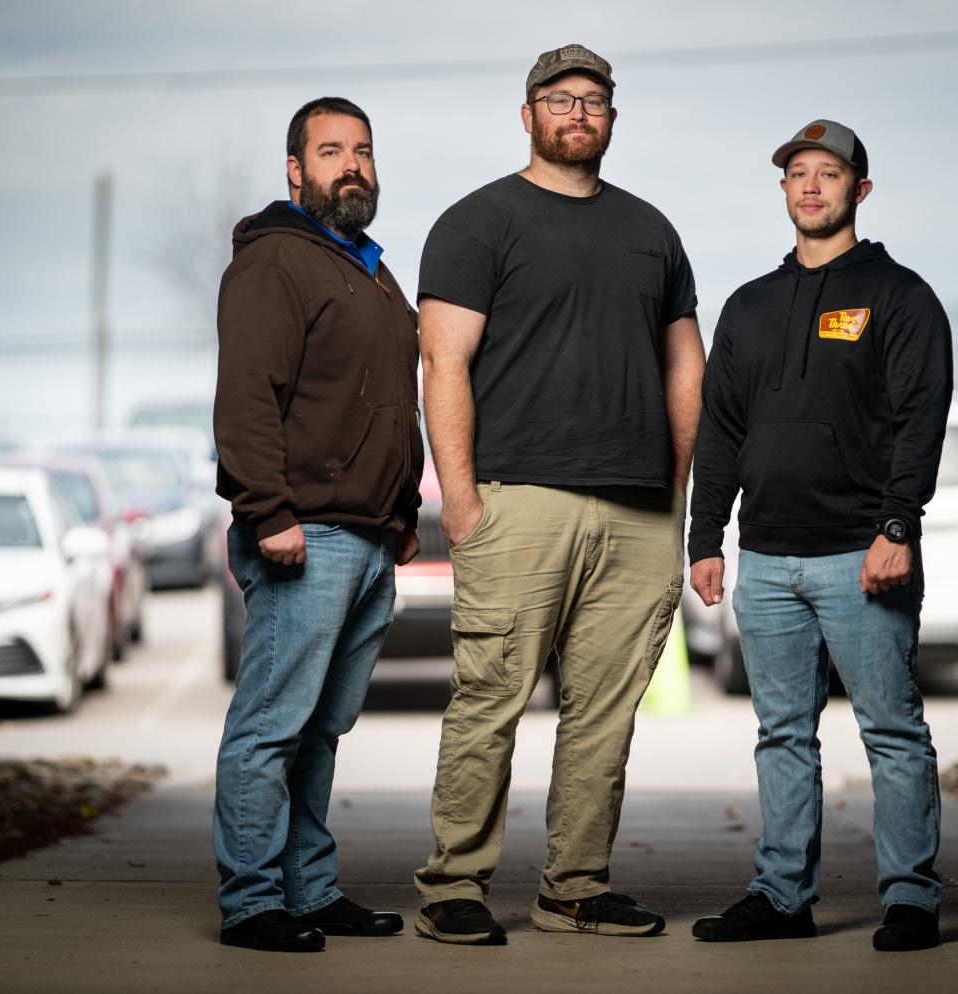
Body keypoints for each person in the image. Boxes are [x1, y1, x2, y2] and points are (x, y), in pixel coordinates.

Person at [412, 43, 704, 945]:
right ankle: (454, 885)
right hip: (518, 500)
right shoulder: (478, 222)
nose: (579, 113)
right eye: (560, 99)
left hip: (637, 508)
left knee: (605, 712)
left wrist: (677, 495)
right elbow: (442, 361)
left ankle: (574, 886)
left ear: (612, 118)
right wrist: (459, 501)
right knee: (490, 696)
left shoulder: (652, 230)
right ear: (529, 114)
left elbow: (684, 362)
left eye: (596, 101)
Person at [687, 119, 952, 952]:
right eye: (797, 173)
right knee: (782, 735)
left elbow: (920, 420)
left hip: (860, 553)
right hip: (766, 559)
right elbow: (721, 429)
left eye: (828, 173)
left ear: (858, 191)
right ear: (784, 190)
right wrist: (706, 537)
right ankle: (782, 895)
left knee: (892, 730)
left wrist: (897, 526)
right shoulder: (751, 306)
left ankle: (911, 899)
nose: (810, 186)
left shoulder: (900, 296)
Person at [212, 96, 423, 952]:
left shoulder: (370, 269)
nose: (353, 165)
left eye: (364, 150)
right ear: (295, 170)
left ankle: (308, 889)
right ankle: (253, 902)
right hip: (304, 532)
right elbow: (246, 400)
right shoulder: (275, 264)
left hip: (368, 538)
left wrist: (402, 515)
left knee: (321, 732)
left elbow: (388, 405)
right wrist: (268, 512)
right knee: (270, 728)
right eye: (332, 150)